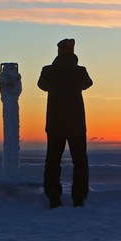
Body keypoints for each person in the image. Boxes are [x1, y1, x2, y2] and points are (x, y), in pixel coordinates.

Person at [38, 38, 93, 208]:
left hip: (55, 123)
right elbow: (88, 84)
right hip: (76, 123)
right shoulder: (80, 71)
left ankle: (54, 197)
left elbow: (42, 85)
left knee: (53, 161)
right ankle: (79, 198)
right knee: (80, 161)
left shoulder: (48, 71)